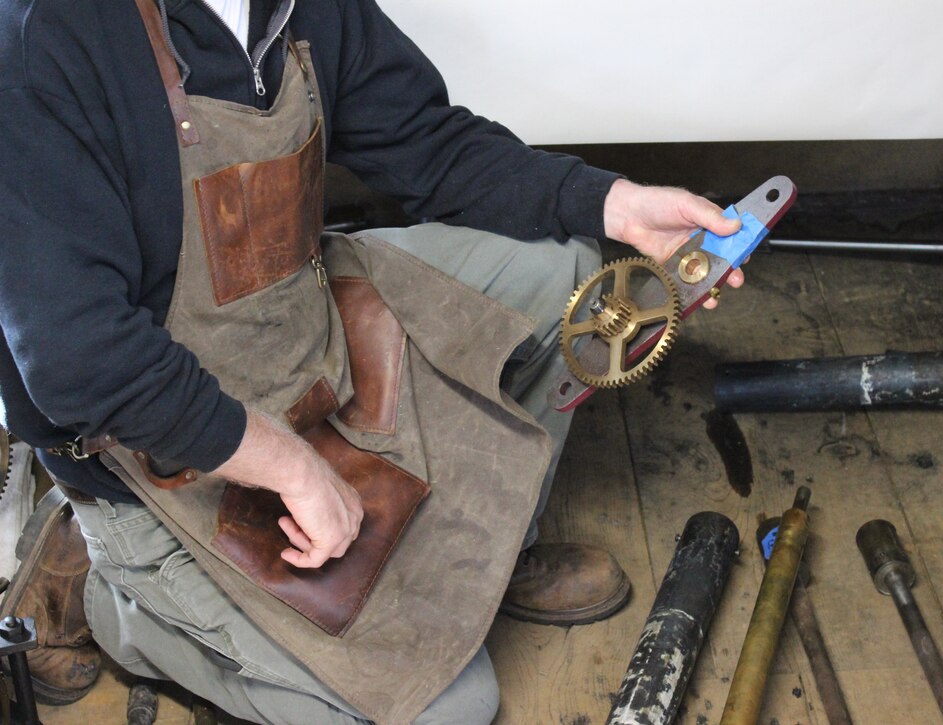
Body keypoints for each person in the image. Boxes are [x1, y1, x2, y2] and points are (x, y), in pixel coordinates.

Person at [0, 0, 744, 722]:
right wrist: (290, 466)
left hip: (298, 335)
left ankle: (486, 552)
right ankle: (118, 596)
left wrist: (614, 202)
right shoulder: (41, 35)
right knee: (451, 708)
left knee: (560, 270)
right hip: (159, 461)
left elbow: (426, 142)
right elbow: (81, 361)